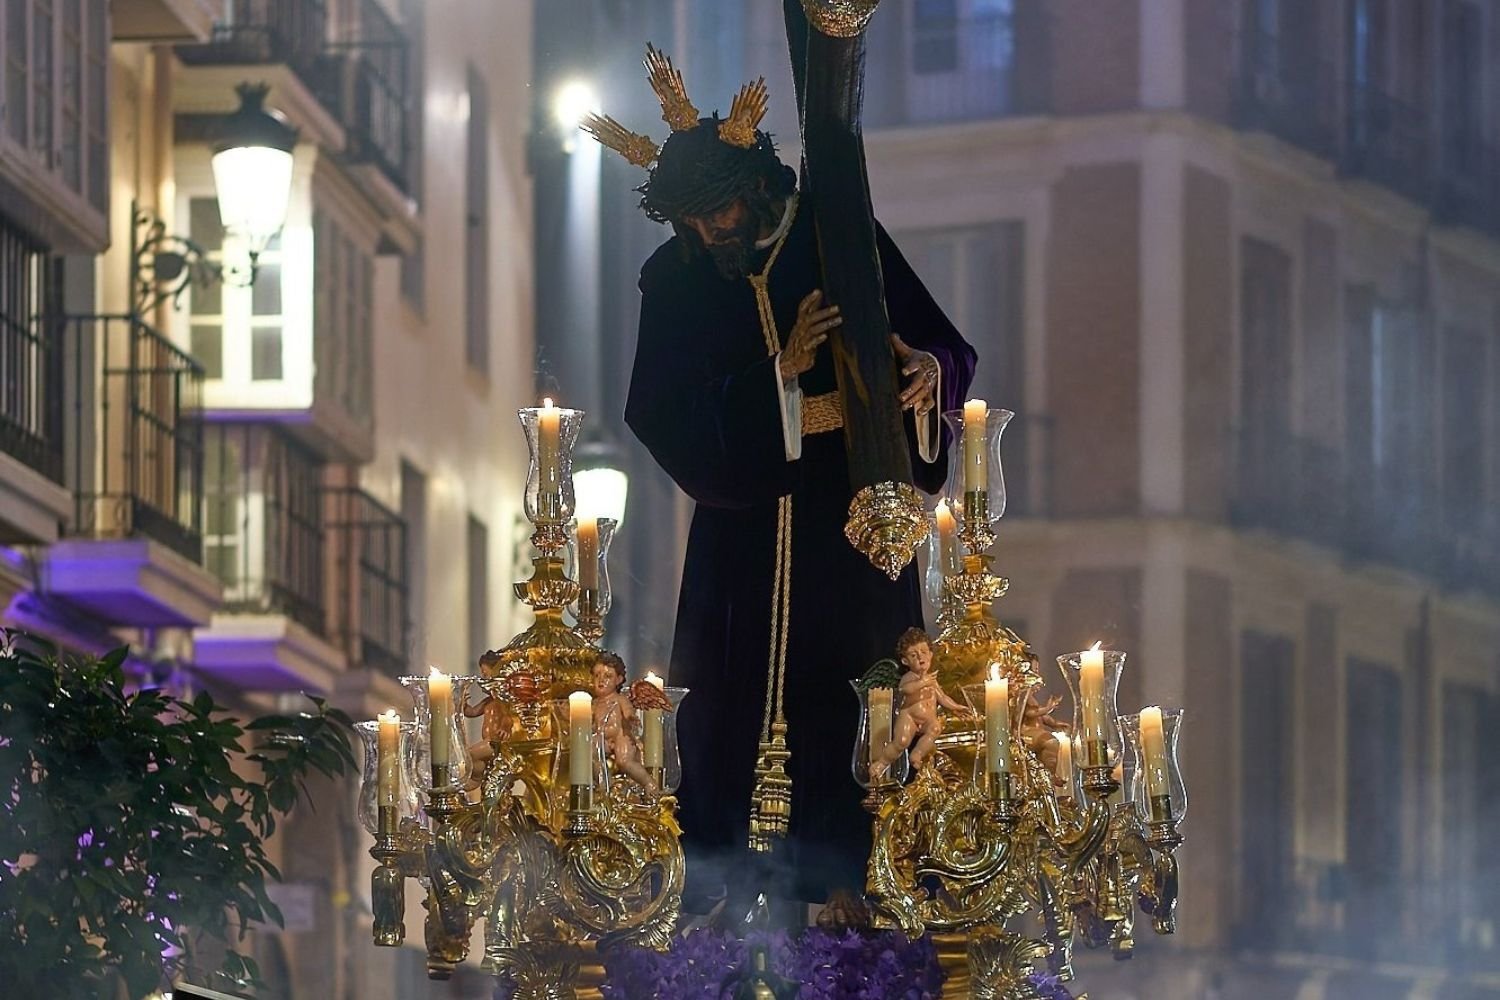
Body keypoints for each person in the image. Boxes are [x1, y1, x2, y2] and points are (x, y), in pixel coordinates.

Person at [585, 49, 977, 907]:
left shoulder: (835, 234)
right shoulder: (677, 277)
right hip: (746, 529)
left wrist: (924, 376)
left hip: (847, 518)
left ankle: (862, 881)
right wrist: (779, 376)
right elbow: (658, 409)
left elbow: (941, 343)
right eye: (690, 222)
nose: (708, 234)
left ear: (754, 186)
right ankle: (723, 897)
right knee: (733, 700)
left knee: (862, 693)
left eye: (717, 213)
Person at [876, 628, 970, 774]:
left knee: (935, 728)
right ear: (905, 661)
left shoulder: (931, 679)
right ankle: (881, 764)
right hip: (909, 717)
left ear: (931, 655)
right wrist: (923, 682)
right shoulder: (910, 677)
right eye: (914, 655)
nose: (920, 657)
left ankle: (917, 754)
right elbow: (906, 690)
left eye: (924, 652)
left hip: (927, 719)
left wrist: (955, 707)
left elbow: (942, 697)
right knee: (901, 742)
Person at [590, 651, 656, 793]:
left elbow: (628, 711)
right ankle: (606, 784)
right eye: (597, 675)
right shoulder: (594, 703)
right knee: (590, 752)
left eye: (608, 676)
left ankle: (648, 783)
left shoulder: (619, 699)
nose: (601, 680)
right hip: (602, 739)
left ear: (618, 680)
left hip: (621, 735)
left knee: (624, 761)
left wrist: (630, 717)